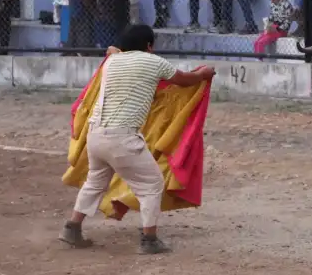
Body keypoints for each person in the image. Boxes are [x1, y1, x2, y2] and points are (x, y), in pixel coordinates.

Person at [60, 24, 217, 253]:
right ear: (149, 46)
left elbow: (112, 51)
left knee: (95, 183)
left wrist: (115, 49)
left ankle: (72, 227)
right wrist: (203, 74)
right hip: (122, 137)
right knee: (152, 184)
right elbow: (184, 80)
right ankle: (149, 240)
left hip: (96, 135)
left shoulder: (113, 62)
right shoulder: (154, 62)